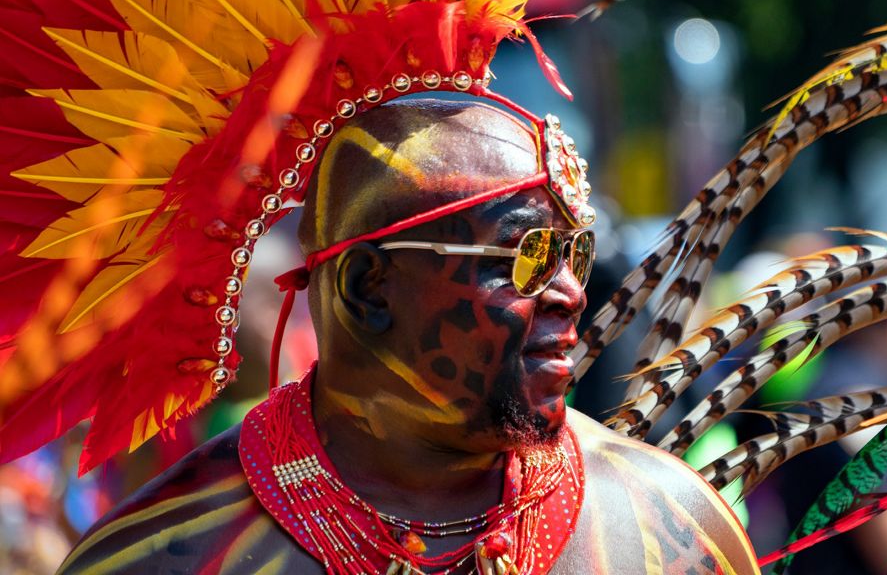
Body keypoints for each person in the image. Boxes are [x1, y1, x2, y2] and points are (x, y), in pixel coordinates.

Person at [57, 101, 757, 573]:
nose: (570, 294)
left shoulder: (674, 526)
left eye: (573, 254)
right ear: (369, 287)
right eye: (526, 257)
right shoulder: (169, 554)